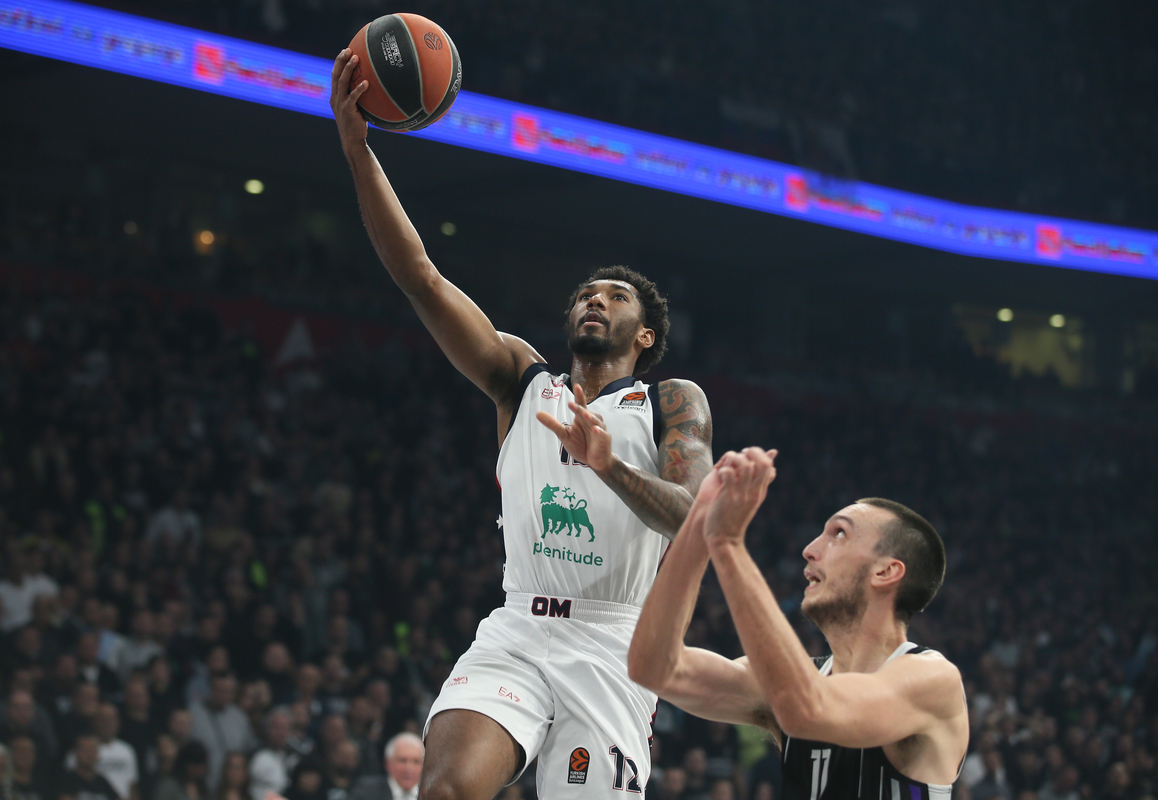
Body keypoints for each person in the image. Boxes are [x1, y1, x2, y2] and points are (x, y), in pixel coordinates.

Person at [329, 47, 713, 800]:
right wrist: (356, 148)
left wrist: (608, 465)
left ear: (644, 337)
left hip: (613, 642)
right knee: (443, 791)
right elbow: (420, 275)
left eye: (614, 297)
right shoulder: (520, 379)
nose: (594, 300)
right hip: (518, 631)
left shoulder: (672, 403)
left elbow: (695, 520)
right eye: (586, 294)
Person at [629, 448, 969, 799]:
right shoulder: (793, 684)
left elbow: (809, 709)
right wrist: (699, 518)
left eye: (839, 534)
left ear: (885, 571)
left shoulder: (933, 680)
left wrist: (728, 543)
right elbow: (654, 668)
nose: (809, 549)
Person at [346, 734, 424, 800]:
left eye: (416, 762)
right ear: (388, 763)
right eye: (402, 761)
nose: (408, 768)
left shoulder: (431, 795)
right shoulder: (364, 793)